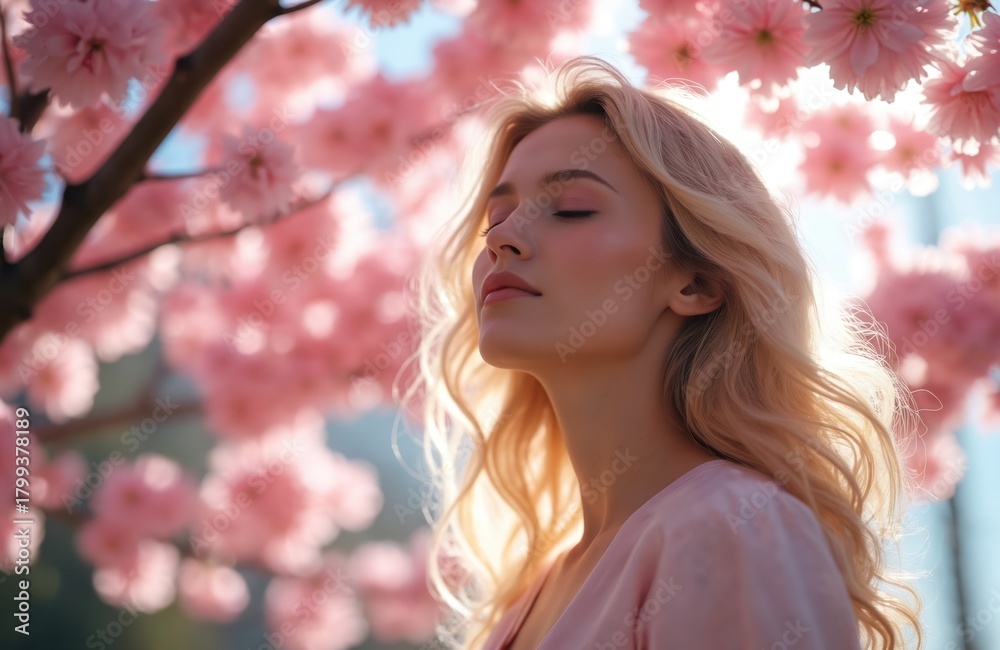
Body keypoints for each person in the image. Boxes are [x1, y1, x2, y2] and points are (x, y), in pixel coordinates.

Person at [402, 55, 922, 649]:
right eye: (497, 216)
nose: (500, 238)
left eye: (570, 208)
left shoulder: (730, 526)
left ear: (696, 283)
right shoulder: (532, 595)